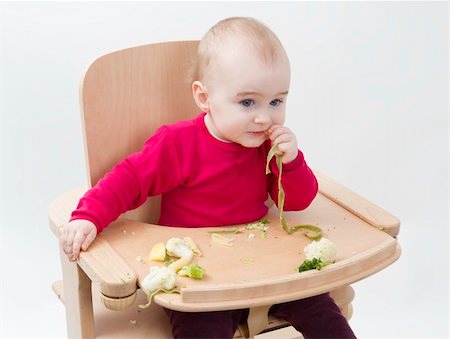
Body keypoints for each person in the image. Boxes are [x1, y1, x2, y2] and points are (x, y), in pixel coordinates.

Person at [61, 17, 356, 339]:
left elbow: (298, 202)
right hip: (200, 277)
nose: (264, 116)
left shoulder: (268, 145)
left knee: (325, 313)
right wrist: (88, 216)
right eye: (247, 102)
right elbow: (128, 180)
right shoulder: (178, 143)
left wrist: (292, 161)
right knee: (201, 331)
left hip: (266, 265)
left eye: (276, 101)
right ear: (204, 98)